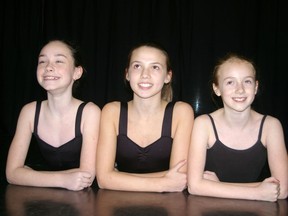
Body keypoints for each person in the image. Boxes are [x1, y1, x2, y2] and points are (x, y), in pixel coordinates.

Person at [187, 53, 288, 201]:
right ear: (217, 88)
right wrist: (258, 192)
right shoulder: (204, 124)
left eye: (247, 81)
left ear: (256, 87)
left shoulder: (271, 126)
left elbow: (282, 190)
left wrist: (218, 186)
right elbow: (194, 186)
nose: (240, 89)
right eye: (230, 82)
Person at [96, 42, 194, 192]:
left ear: (168, 76)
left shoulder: (181, 112)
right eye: (137, 66)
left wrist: (118, 178)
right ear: (127, 74)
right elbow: (103, 180)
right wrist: (163, 183)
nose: (145, 75)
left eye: (155, 67)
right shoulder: (112, 111)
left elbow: (180, 178)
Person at [6, 39, 101, 191]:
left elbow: (86, 176)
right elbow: (11, 174)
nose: (48, 67)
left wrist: (30, 175)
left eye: (59, 61)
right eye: (42, 61)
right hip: (41, 199)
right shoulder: (29, 112)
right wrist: (64, 180)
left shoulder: (90, 112)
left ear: (77, 72)